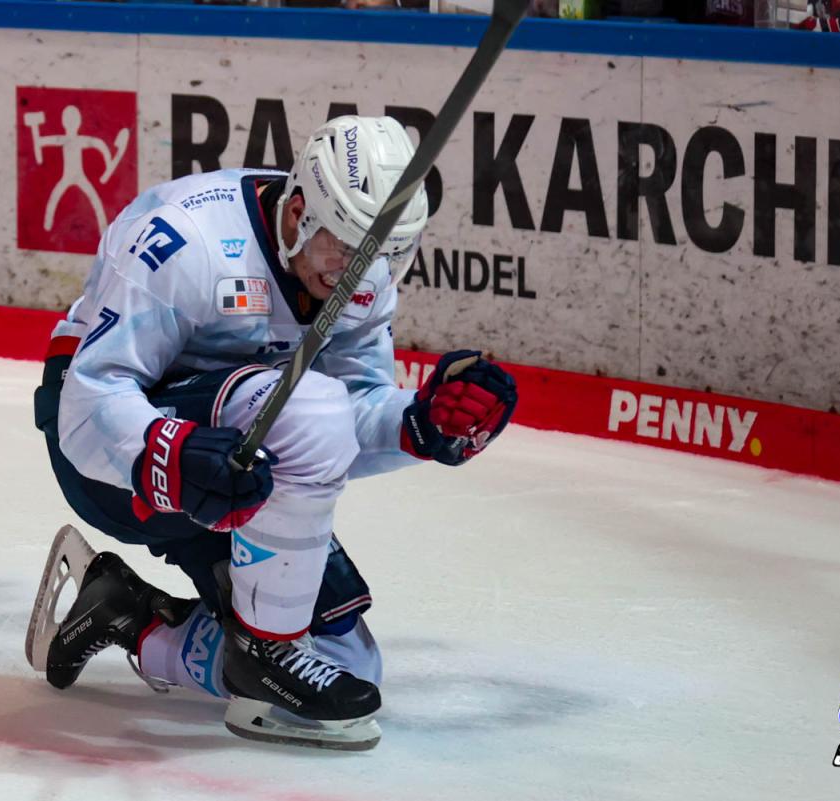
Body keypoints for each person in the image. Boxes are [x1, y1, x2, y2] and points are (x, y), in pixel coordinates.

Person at [27, 115, 518, 750]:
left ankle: (132, 618)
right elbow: (86, 402)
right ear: (298, 211)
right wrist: (169, 453)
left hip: (240, 469)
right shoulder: (186, 240)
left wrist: (419, 425)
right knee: (306, 406)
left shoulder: (362, 270)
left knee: (351, 670)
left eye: (390, 253)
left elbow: (347, 417)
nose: (362, 274)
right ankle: (266, 648)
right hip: (114, 466)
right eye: (346, 247)